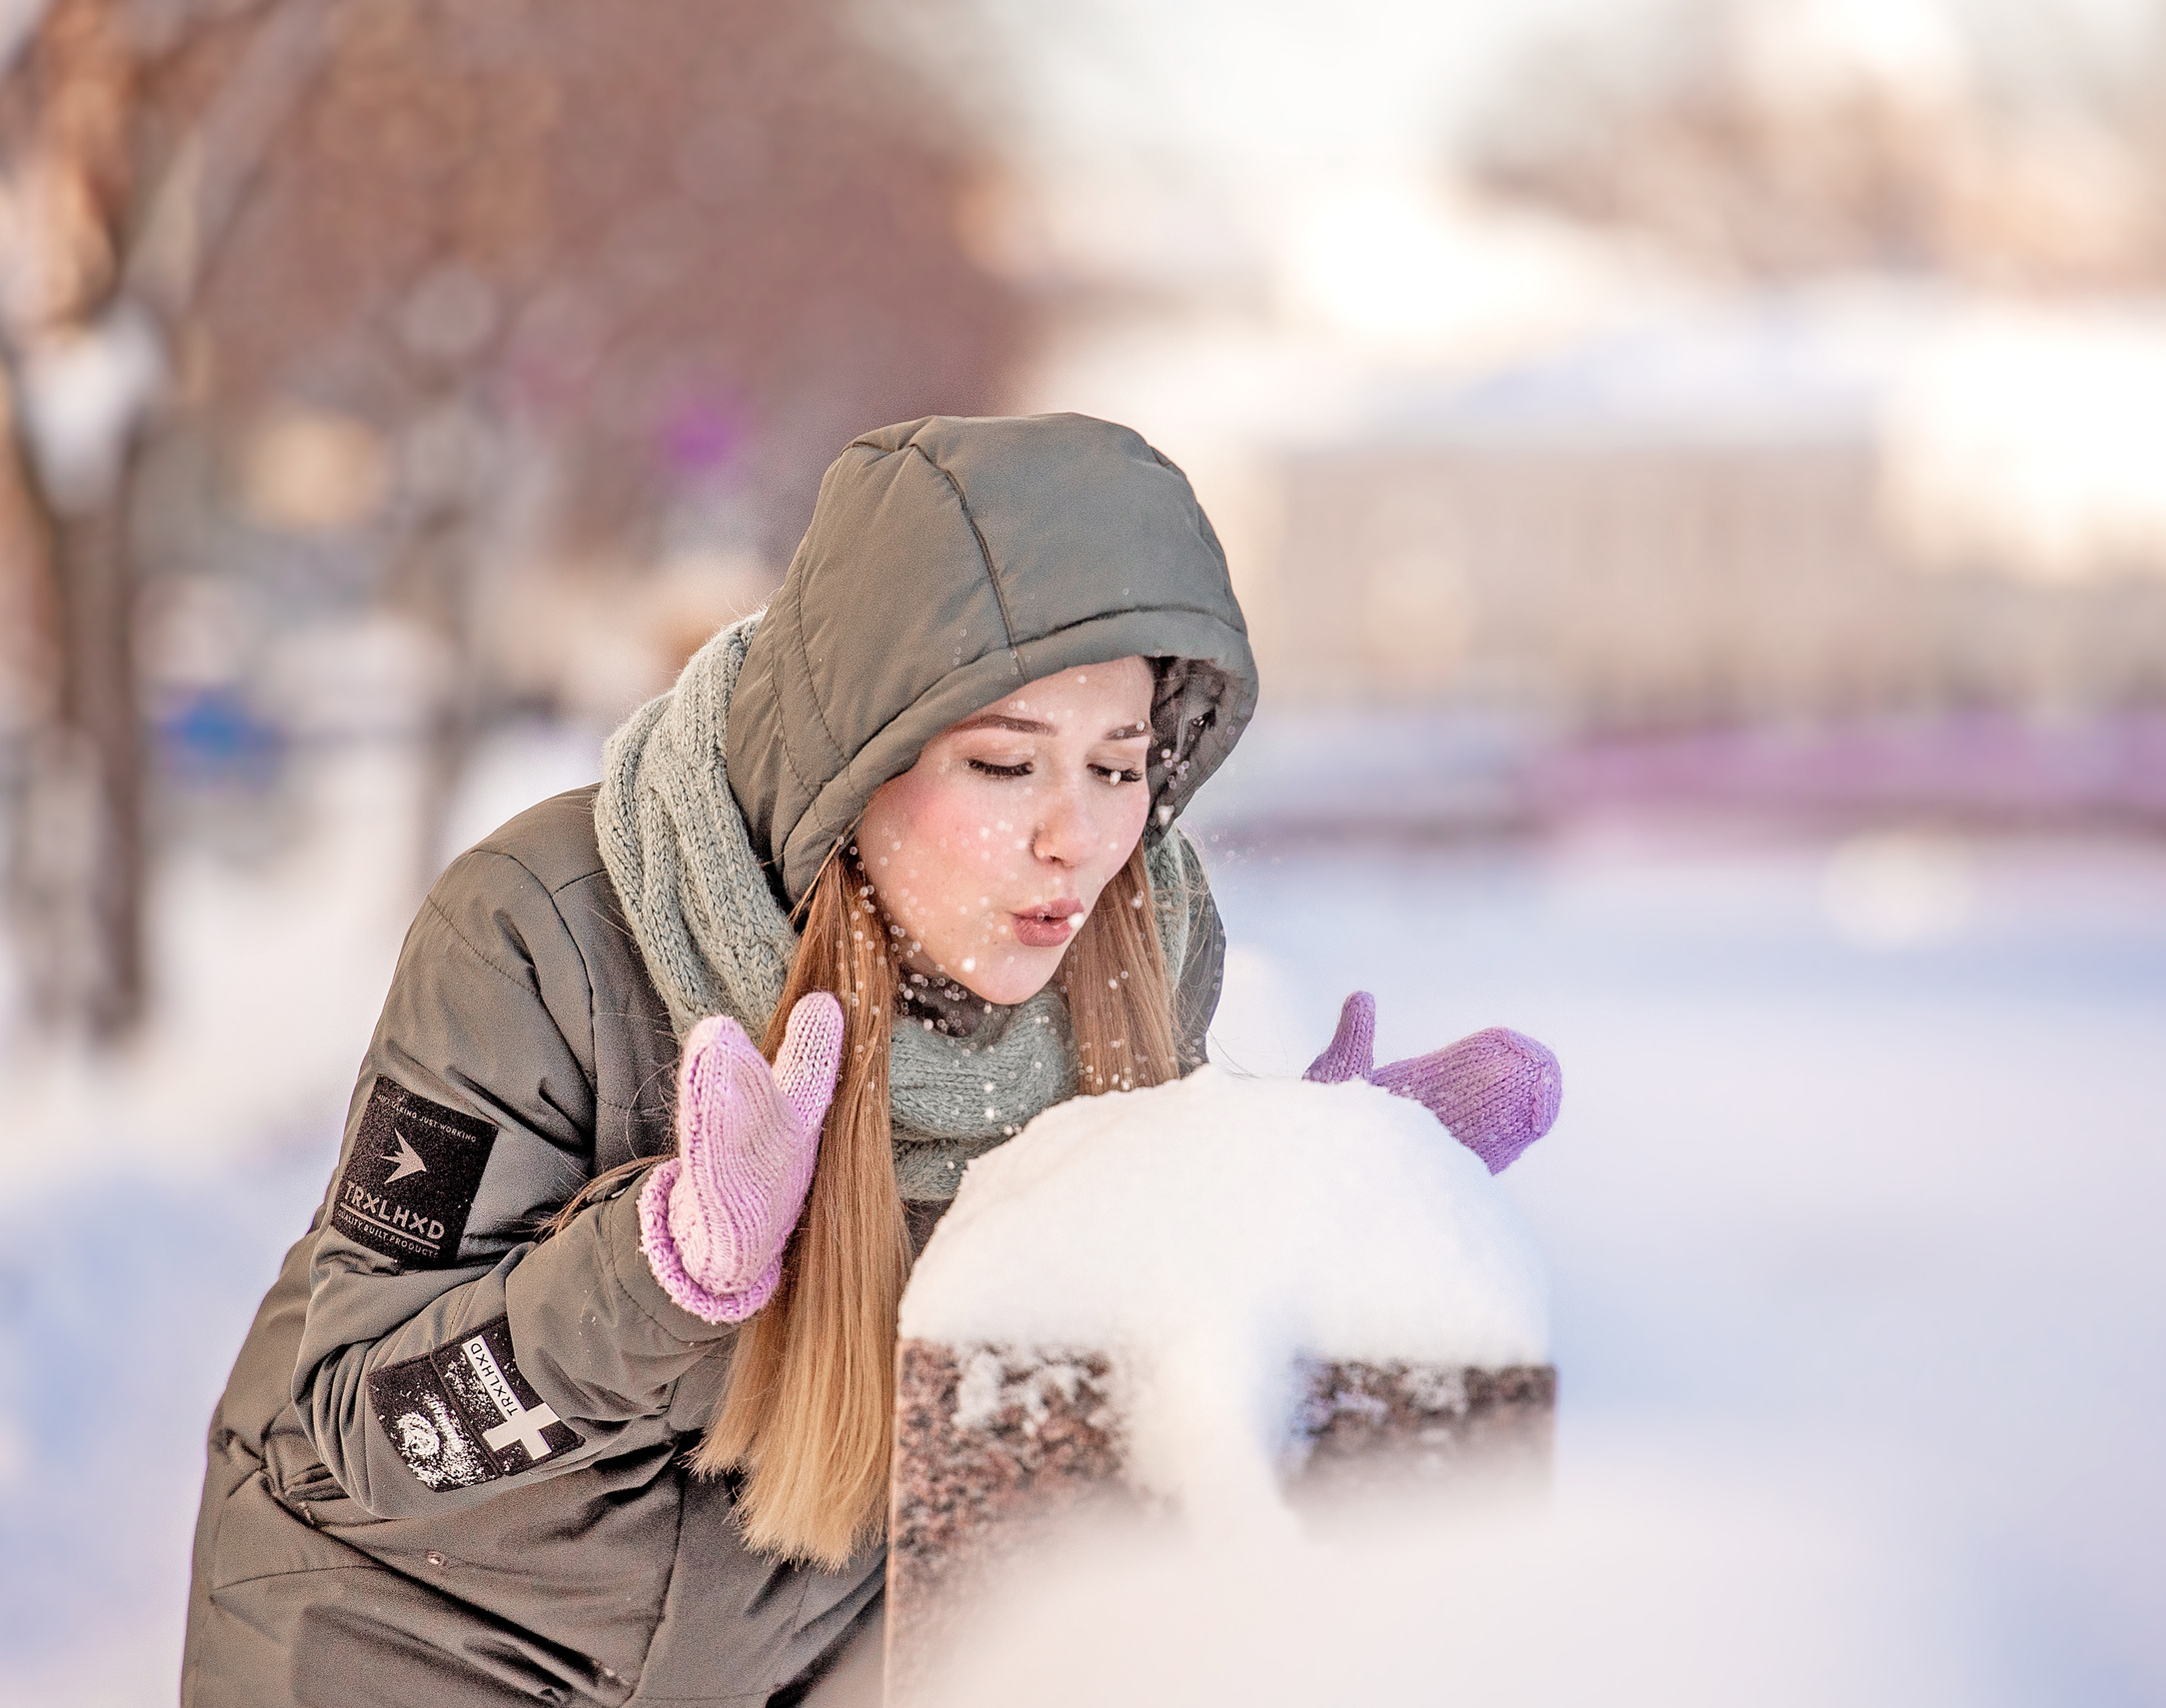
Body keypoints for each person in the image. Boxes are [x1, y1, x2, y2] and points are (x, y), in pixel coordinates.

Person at [180, 413, 1558, 1707]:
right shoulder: (544, 932)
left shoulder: (1136, 960)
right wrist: (668, 1272)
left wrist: (1290, 1204)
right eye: (1005, 765)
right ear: (861, 756)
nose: (1074, 838)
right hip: (409, 1643)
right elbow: (372, 1427)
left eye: (1119, 764)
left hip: (768, 1659)